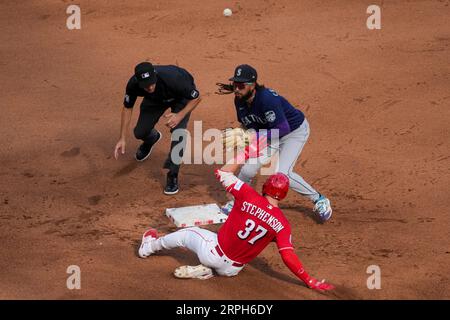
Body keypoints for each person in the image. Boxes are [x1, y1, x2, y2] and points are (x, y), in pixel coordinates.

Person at [137, 143, 334, 292]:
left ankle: (148, 247)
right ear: (283, 195)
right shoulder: (282, 224)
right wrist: (309, 279)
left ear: (265, 187)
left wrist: (247, 153)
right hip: (232, 269)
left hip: (213, 252)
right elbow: (288, 256)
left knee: (187, 233)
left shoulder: (248, 194)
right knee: (222, 250)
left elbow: (222, 172)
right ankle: (207, 270)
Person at [216, 64, 332, 222]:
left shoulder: (267, 99)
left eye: (241, 85)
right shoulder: (239, 100)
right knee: (248, 170)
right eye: (235, 84)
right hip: (269, 133)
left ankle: (319, 199)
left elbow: (283, 128)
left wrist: (252, 136)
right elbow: (249, 124)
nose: (237, 89)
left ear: (253, 85)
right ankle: (238, 202)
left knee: (283, 174)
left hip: (293, 132)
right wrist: (242, 133)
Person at [114, 62, 201, 194]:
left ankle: (172, 174)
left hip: (181, 98)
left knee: (179, 134)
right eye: (145, 85)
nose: (149, 87)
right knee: (140, 132)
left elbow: (197, 98)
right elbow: (127, 107)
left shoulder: (174, 78)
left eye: (151, 82)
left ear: (155, 75)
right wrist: (122, 138)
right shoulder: (133, 84)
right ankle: (151, 139)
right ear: (138, 81)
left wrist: (179, 115)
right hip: (155, 100)